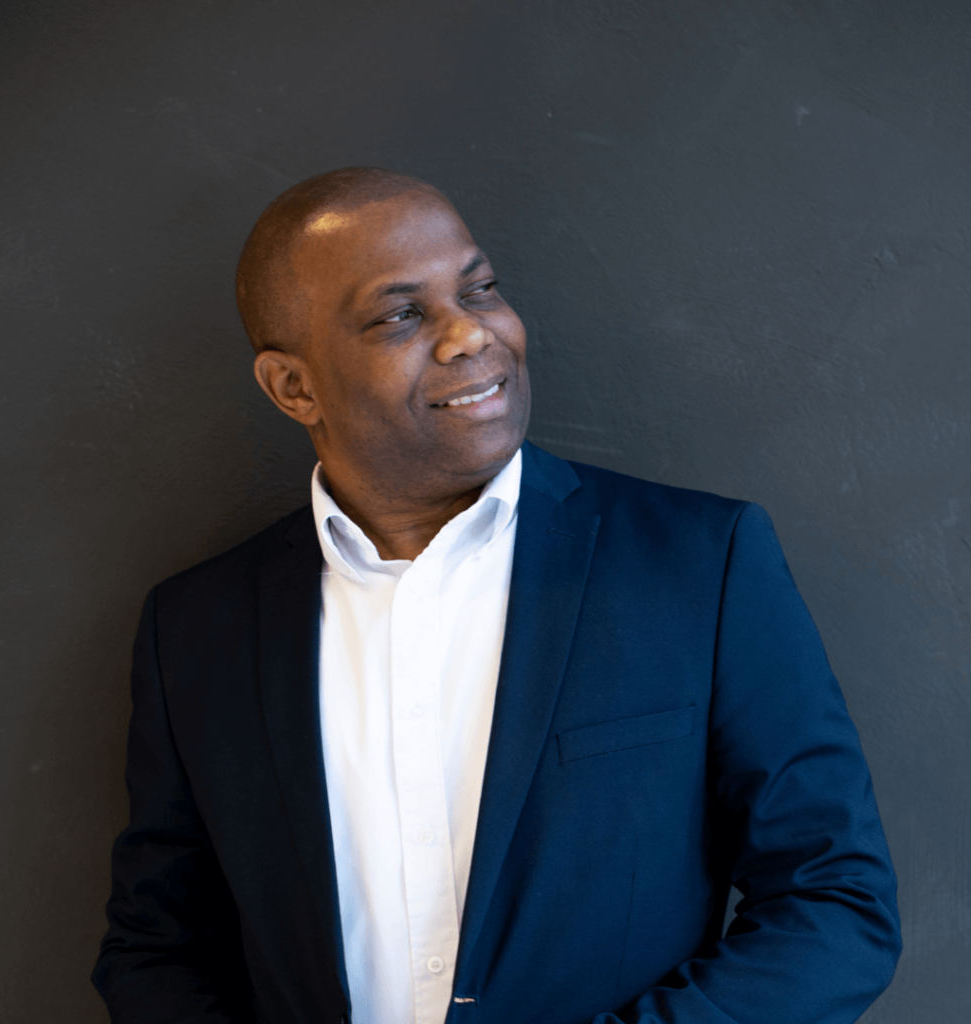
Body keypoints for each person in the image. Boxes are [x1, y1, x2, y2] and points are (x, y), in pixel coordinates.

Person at [92, 167, 901, 1024]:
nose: (470, 333)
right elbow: (159, 949)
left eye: (478, 290)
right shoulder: (197, 631)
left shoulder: (699, 563)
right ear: (295, 387)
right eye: (402, 315)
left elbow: (835, 904)